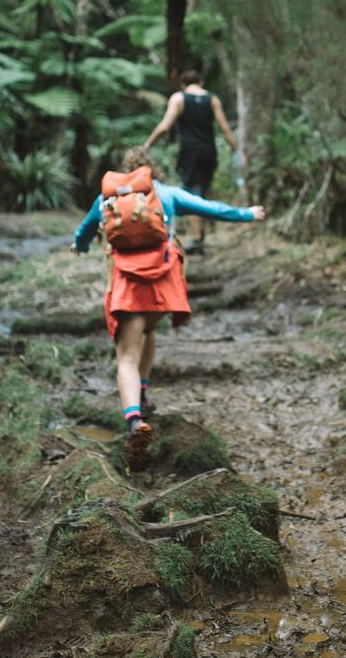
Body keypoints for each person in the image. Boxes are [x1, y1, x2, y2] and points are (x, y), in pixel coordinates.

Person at [73, 147, 266, 466]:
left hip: (128, 286)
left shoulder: (108, 199)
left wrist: (78, 246)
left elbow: (83, 234)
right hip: (164, 285)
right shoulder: (167, 193)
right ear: (152, 170)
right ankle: (144, 394)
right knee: (149, 332)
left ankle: (134, 419)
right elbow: (210, 208)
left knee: (126, 356)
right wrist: (248, 213)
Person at [141, 69, 241, 254]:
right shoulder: (212, 99)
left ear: (182, 84)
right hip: (209, 151)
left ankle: (196, 239)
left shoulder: (178, 98)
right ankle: (200, 235)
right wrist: (237, 150)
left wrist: (148, 144)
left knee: (192, 193)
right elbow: (225, 128)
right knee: (202, 190)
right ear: (200, 82)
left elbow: (165, 126)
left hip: (189, 152)